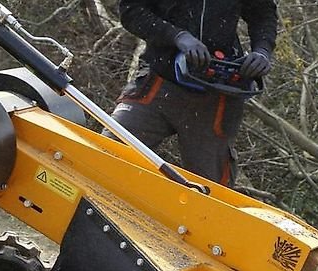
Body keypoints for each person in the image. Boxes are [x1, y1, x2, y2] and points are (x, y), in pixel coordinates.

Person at [107, 0, 278, 186]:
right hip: (160, 79)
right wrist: (176, 36)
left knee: (211, 191)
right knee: (109, 150)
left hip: (215, 93)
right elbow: (132, 11)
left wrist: (262, 50)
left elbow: (263, 13)